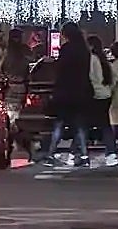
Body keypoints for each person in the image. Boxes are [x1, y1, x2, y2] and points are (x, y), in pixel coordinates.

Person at [38, 22, 92, 167]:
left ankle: (50, 154)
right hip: (81, 91)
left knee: (59, 124)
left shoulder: (66, 49)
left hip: (65, 91)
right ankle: (85, 155)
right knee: (80, 125)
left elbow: (60, 70)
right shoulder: (84, 50)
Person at [86, 34, 116, 164]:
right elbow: (113, 78)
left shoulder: (92, 59)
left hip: (96, 94)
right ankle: (111, 152)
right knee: (105, 124)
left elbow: (92, 76)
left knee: (86, 123)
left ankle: (78, 151)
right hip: (106, 94)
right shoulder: (104, 60)